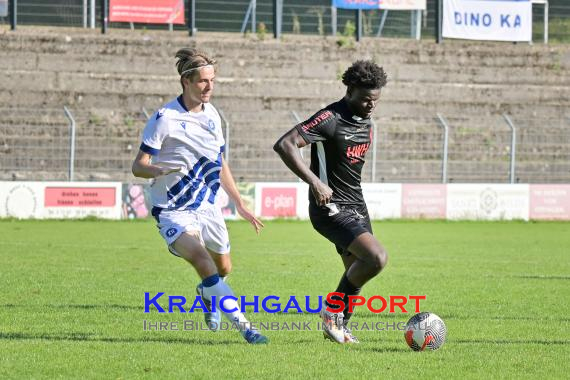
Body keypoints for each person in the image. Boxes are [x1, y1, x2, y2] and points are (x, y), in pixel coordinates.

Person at [132, 48, 268, 344]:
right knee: (202, 261)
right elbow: (138, 167)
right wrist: (160, 168)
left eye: (213, 80)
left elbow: (219, 163)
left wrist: (239, 203)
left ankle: (208, 293)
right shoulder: (164, 118)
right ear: (186, 81)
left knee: (223, 268)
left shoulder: (213, 116)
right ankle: (248, 329)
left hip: (207, 206)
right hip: (172, 210)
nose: (209, 87)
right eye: (203, 81)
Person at [273, 60, 389, 344]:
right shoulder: (329, 118)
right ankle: (332, 314)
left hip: (356, 205)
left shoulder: (367, 121)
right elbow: (285, 144)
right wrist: (314, 181)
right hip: (330, 207)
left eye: (375, 100)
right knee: (376, 258)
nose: (370, 105)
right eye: (365, 99)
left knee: (356, 271)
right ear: (349, 90)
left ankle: (338, 327)